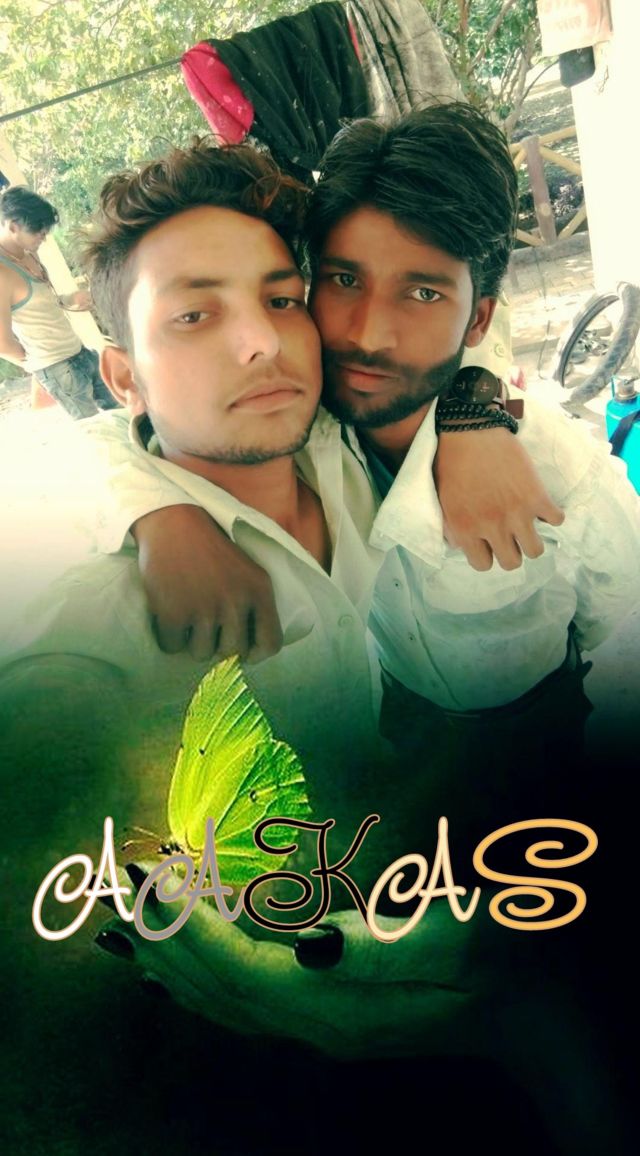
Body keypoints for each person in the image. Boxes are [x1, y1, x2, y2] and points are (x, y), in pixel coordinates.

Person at [87, 103, 640, 852]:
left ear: (478, 321)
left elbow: (621, 618)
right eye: (343, 279)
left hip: (535, 724)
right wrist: (160, 513)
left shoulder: (558, 474)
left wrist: (480, 408)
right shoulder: (308, 426)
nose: (367, 334)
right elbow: (120, 428)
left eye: (424, 294)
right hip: (399, 723)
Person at [0, 185, 118, 419]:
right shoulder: (3, 274)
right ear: (12, 226)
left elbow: (43, 303)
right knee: (95, 428)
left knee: (121, 411)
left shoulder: (29, 253)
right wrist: (39, 363)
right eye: (38, 232)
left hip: (79, 351)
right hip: (56, 368)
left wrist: (71, 299)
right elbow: (3, 344)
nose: (43, 238)